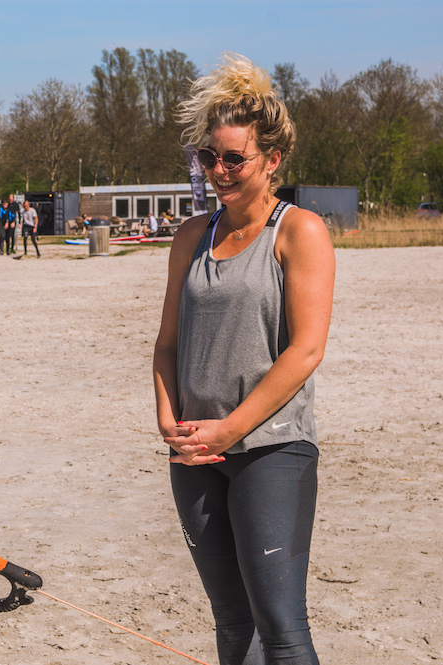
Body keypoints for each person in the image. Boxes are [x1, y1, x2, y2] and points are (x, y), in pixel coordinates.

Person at [152, 53, 334, 665]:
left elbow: (305, 349)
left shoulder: (300, 231)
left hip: (271, 449)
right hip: (195, 452)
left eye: (235, 157)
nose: (219, 170)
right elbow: (168, 341)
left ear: (272, 159)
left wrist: (231, 428)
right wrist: (167, 419)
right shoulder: (190, 237)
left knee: (280, 628)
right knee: (232, 627)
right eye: (210, 157)